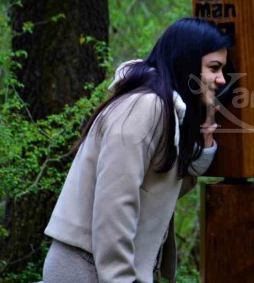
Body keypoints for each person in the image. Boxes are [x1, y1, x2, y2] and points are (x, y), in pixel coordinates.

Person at [42, 18, 233, 283]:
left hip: (109, 265)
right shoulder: (145, 107)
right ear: (187, 62)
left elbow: (157, 192)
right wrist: (120, 278)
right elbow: (115, 203)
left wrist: (204, 152)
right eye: (214, 68)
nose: (221, 79)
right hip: (87, 266)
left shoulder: (162, 107)